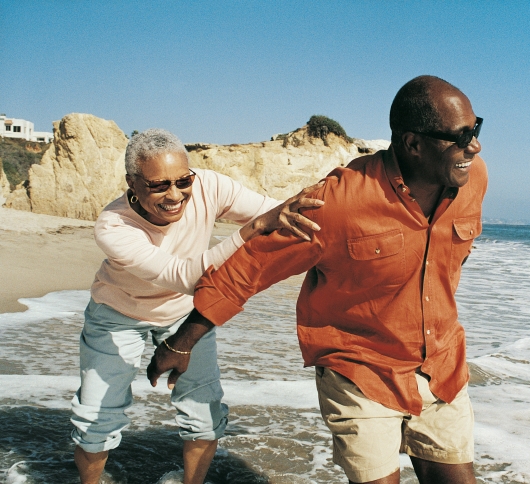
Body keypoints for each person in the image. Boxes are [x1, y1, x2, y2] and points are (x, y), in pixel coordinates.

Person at [148, 76, 488, 484]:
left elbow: (453, 257)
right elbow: (251, 268)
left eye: (476, 129)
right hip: (361, 372)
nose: (475, 146)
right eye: (461, 136)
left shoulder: (472, 179)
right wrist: (181, 342)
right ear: (413, 143)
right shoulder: (338, 202)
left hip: (441, 367)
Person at [70, 128, 323, 484]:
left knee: (203, 413)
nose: (175, 195)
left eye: (183, 180)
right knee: (97, 416)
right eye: (159, 186)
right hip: (117, 316)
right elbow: (184, 276)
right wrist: (251, 230)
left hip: (185, 314)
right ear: (132, 183)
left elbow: (274, 214)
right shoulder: (113, 226)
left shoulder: (209, 186)